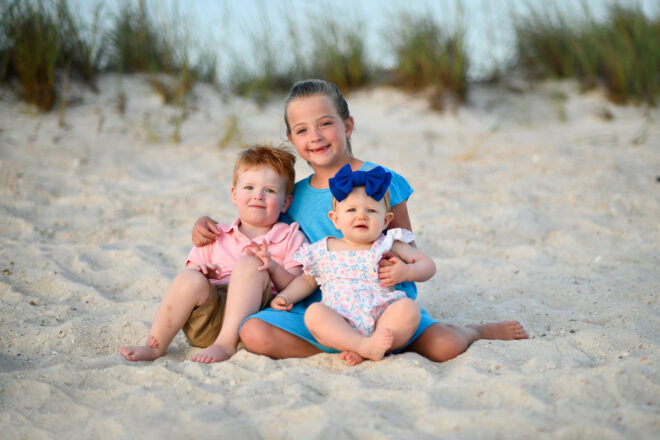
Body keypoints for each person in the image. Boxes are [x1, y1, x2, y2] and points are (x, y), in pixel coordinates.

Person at [193, 79, 527, 363]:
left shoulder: (381, 179)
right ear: (292, 139)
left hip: (381, 303)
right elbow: (253, 221)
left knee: (445, 347)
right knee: (253, 332)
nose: (316, 136)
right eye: (302, 130)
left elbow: (405, 244)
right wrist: (207, 225)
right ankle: (352, 345)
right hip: (323, 308)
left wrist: (402, 270)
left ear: (347, 125)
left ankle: (473, 330)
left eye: (326, 123)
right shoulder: (292, 196)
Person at [120, 145, 306, 363]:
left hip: (250, 321)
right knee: (189, 277)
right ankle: (155, 345)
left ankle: (225, 345)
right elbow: (187, 283)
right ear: (234, 195)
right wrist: (202, 273)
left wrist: (273, 268)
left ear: (286, 202)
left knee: (250, 263)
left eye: (270, 190)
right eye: (249, 187)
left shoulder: (290, 236)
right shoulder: (216, 234)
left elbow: (296, 286)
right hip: (208, 318)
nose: (258, 196)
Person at [270, 164, 436, 365]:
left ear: (386, 220)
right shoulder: (324, 249)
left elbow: (428, 265)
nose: (361, 216)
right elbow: (306, 281)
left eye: (371, 210)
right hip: (340, 320)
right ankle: (361, 345)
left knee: (408, 309)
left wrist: (408, 271)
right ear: (336, 219)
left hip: (384, 319)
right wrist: (285, 296)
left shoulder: (388, 243)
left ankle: (368, 346)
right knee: (315, 313)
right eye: (351, 210)